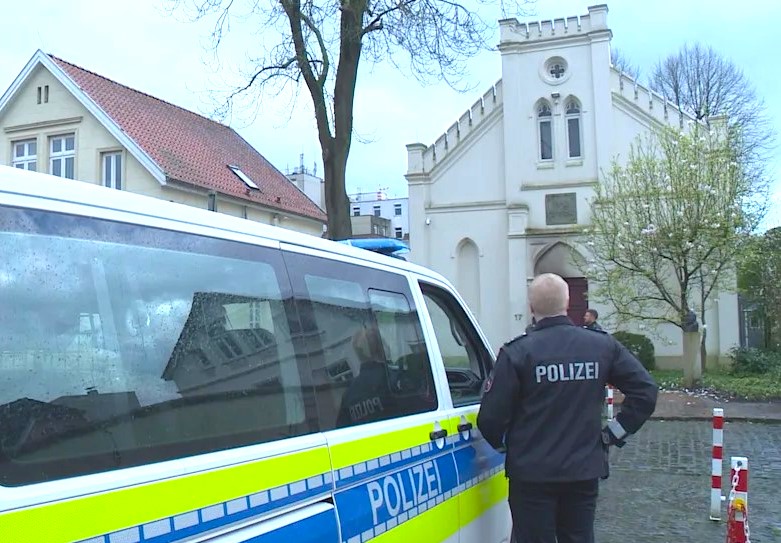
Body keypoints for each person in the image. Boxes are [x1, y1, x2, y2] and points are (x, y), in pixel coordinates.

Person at [477, 273, 658, 543]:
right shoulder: (601, 346)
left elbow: (490, 419)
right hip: (583, 470)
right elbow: (645, 391)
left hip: (531, 474)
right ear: (568, 302)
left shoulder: (517, 353)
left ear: (530, 307)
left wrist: (509, 446)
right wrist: (612, 435)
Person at [336, 325, 396, 427]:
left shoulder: (349, 394)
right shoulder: (394, 379)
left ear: (358, 354)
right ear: (382, 348)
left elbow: (341, 428)